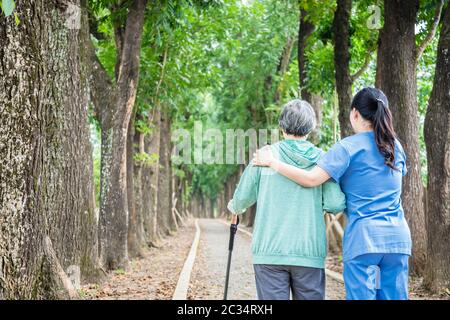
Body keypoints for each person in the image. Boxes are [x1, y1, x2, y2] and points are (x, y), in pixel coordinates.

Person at [253, 87, 412, 300]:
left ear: (355, 113)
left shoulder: (346, 148)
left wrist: (272, 162)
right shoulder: (395, 147)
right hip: (397, 240)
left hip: (364, 241)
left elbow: (311, 179)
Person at [227, 99, 346, 300]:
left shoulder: (265, 156)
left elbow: (240, 201)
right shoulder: (322, 160)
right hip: (309, 252)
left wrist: (235, 209)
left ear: (281, 126)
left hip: (269, 251)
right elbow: (336, 204)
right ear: (311, 128)